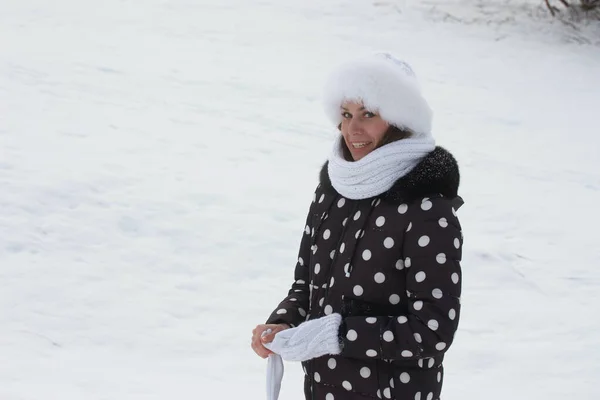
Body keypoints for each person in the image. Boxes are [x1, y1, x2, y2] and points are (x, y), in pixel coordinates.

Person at [251, 53, 463, 400]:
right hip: (324, 389)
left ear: (399, 120)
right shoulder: (331, 192)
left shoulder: (427, 208)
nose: (353, 129)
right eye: (346, 115)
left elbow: (433, 330)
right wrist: (284, 323)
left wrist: (338, 334)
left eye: (369, 114)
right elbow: (306, 287)